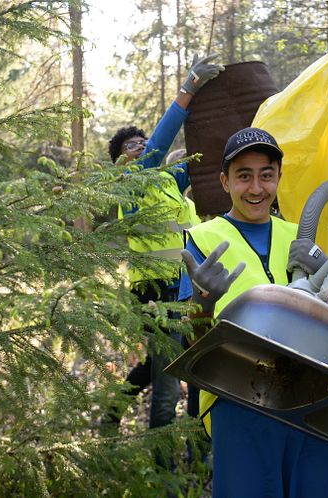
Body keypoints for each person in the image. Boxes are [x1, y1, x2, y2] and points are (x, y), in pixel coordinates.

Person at [178, 127, 328, 497]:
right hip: (239, 400)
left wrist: (325, 280)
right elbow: (191, 345)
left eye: (266, 175)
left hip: (309, 399)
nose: (256, 188)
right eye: (244, 176)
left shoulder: (297, 237)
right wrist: (202, 307)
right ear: (224, 181)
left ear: (278, 178)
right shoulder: (202, 241)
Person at [106, 55, 223, 435]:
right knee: (167, 381)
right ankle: (163, 466)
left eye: (142, 142)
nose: (140, 148)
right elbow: (161, 143)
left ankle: (196, 446)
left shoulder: (169, 184)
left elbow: (204, 154)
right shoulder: (130, 186)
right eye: (131, 147)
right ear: (120, 162)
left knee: (194, 367)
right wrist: (188, 88)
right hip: (156, 292)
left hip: (190, 286)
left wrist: (215, 105)